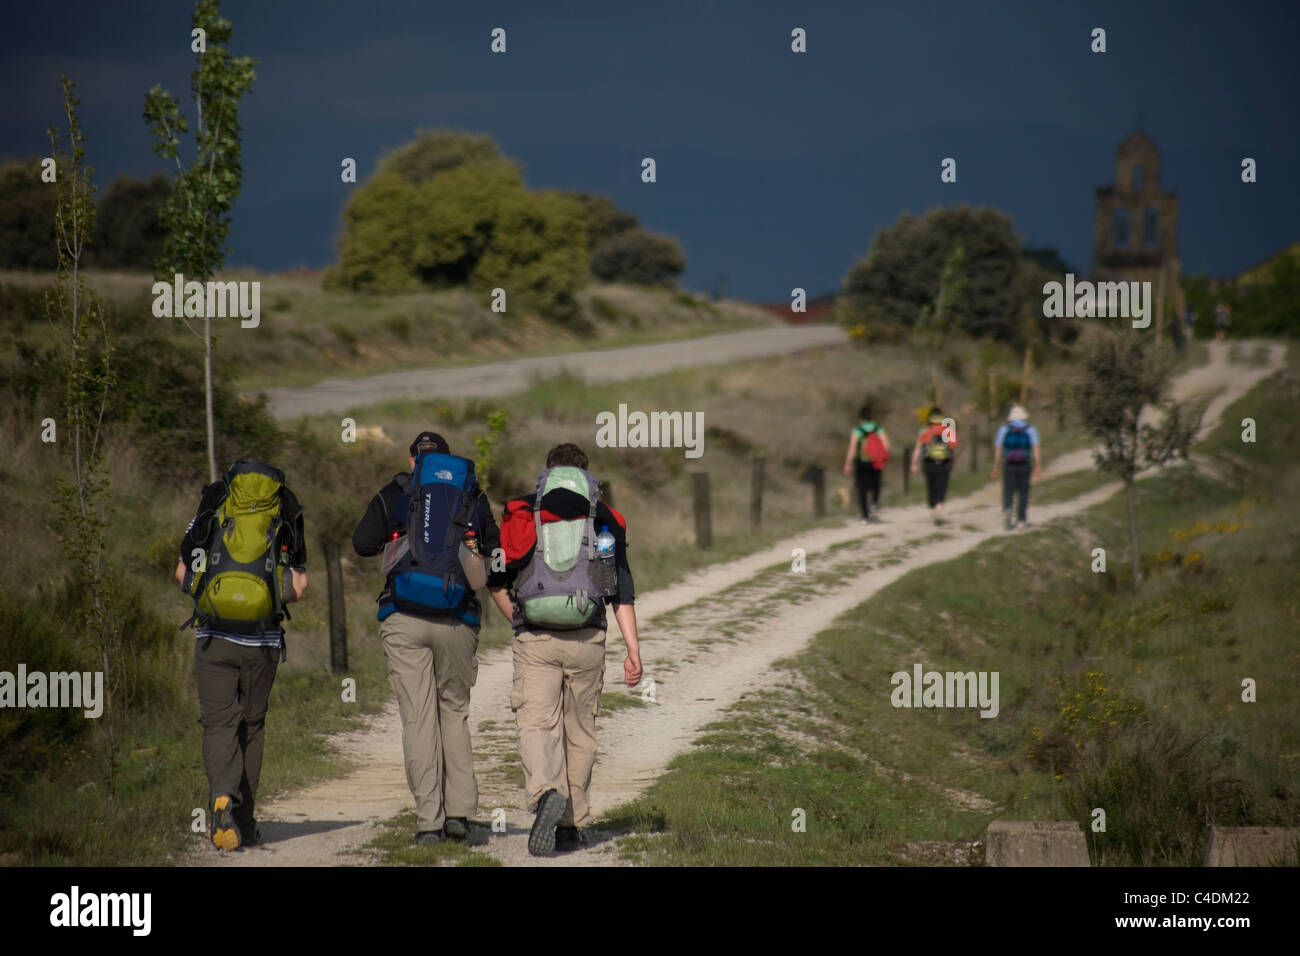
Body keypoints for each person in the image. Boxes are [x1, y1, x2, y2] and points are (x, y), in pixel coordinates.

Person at [352, 431, 508, 846]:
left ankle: (428, 823)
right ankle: (459, 815)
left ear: (412, 460)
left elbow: (362, 543)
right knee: (453, 712)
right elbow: (496, 554)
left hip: (402, 615)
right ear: (450, 463)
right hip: (456, 614)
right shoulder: (471, 492)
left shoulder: (397, 491)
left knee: (418, 718)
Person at [492, 442, 642, 855]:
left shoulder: (523, 511)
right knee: (580, 731)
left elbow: (496, 579)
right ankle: (571, 825)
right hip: (587, 636)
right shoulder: (604, 517)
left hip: (535, 636)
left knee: (537, 723)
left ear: (547, 472)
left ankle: (545, 794)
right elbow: (619, 591)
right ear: (586, 474)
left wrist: (521, 621)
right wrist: (633, 651)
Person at [174, 458, 309, 852]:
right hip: (261, 642)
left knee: (218, 724)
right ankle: (246, 823)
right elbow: (298, 587)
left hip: (214, 637)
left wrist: (209, 598)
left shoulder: (215, 500)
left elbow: (182, 571)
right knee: (252, 724)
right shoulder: (287, 506)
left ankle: (220, 799)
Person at [990, 405, 1042, 530]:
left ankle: (1008, 508)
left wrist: (996, 466)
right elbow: (1035, 448)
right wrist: (1038, 466)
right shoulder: (1030, 430)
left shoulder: (1004, 429)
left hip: (1009, 464)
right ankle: (1021, 520)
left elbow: (998, 448)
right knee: (1023, 492)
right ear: (1024, 417)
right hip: (1025, 464)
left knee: (1008, 490)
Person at [843, 404, 890, 524]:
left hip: (861, 463)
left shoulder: (857, 430)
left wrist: (847, 464)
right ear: (872, 416)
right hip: (875, 462)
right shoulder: (879, 429)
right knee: (876, 485)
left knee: (862, 489)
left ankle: (864, 516)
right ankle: (873, 504)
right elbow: (886, 446)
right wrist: (882, 458)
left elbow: (852, 449)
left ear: (860, 417)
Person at [911, 407, 958, 525]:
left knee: (931, 486)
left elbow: (918, 448)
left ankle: (932, 511)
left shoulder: (924, 430)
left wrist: (913, 463)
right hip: (944, 462)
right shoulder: (948, 429)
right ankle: (939, 505)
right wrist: (953, 463)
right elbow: (952, 449)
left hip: (929, 462)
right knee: (942, 485)